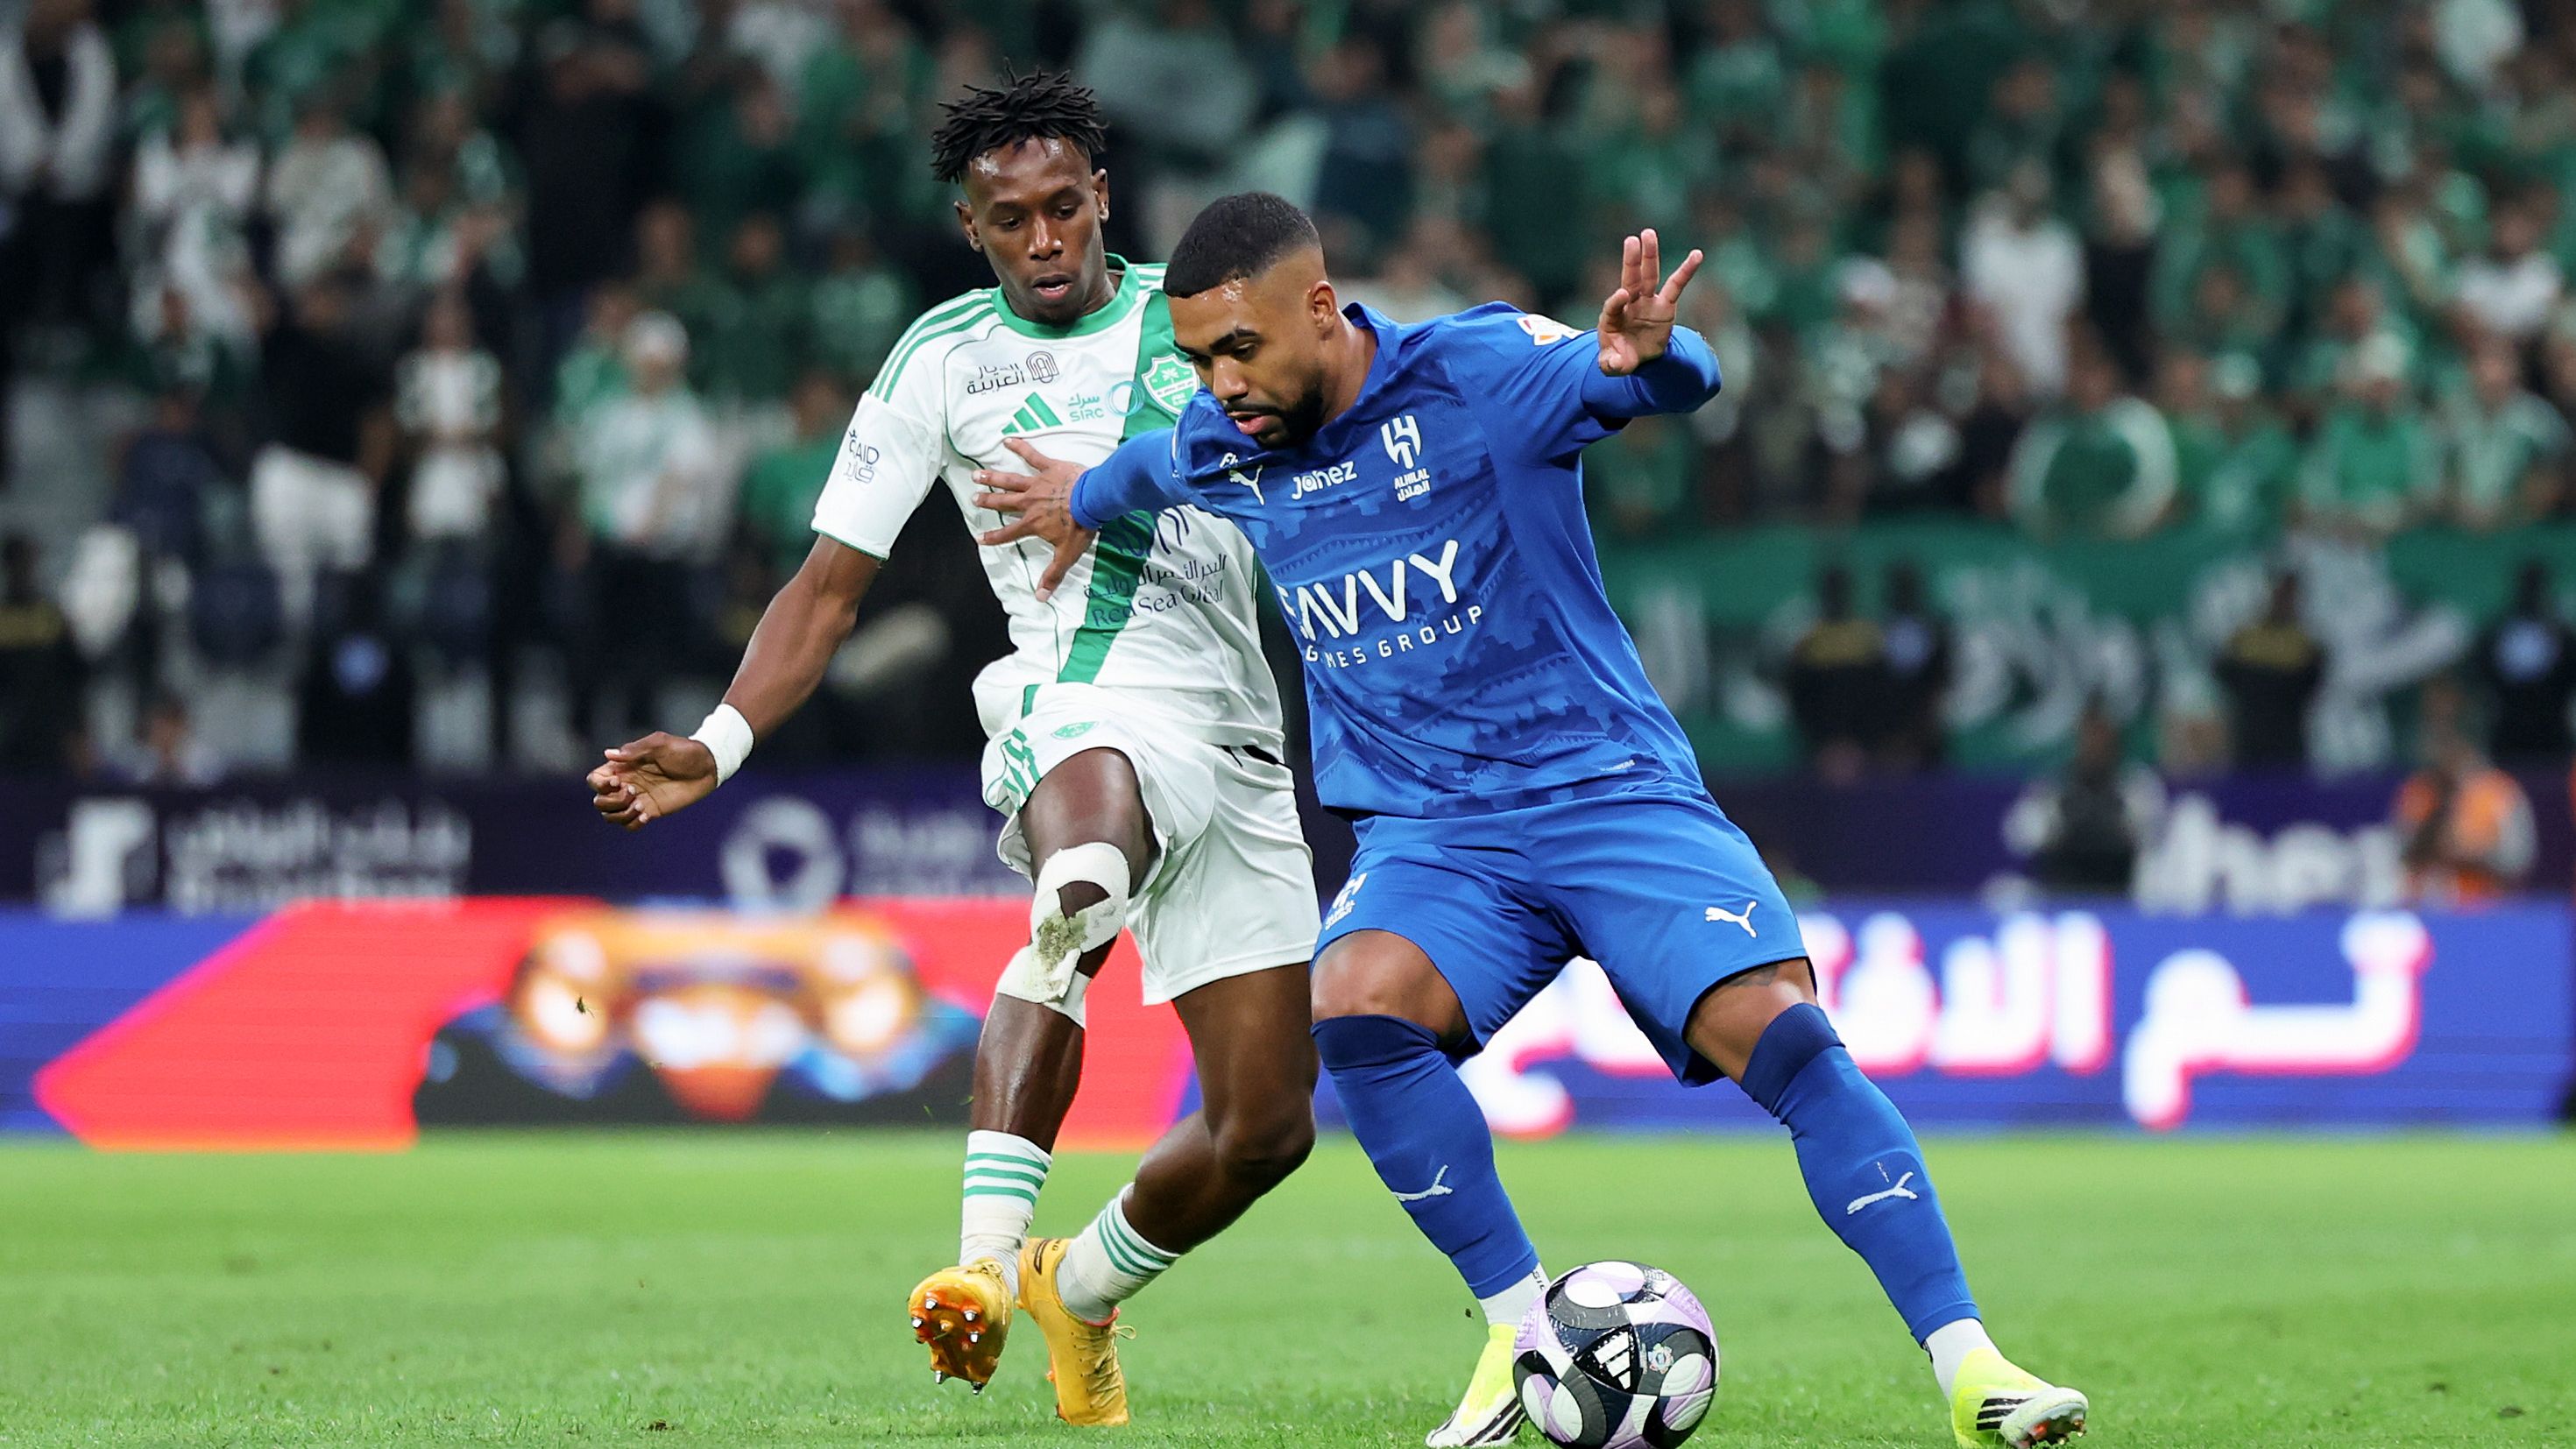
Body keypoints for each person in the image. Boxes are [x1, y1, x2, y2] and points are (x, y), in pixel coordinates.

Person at [977, 194, 2088, 1449]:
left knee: (1779, 1036)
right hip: (1435, 833)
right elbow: (1148, 467)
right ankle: (1519, 1333)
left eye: (1241, 349)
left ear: (1322, 309)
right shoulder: (1225, 437)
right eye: (1195, 359)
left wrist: (1650, 355)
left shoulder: (1481, 370)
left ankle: (1971, 1365)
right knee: (1350, 1007)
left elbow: (1669, 379)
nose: (1219, 383)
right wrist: (1083, 491)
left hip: (1608, 791)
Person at [579, 74, 1320, 1429]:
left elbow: (1334, 426)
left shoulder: (1200, 310)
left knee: (1268, 1128)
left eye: (1060, 208)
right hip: (1078, 694)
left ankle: (1075, 1286)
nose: (1041, 239)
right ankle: (981, 1264)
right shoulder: (940, 360)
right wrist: (720, 741)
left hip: (1241, 736)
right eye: (1008, 220)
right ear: (970, 231)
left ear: (1101, 195)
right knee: (1080, 878)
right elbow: (825, 589)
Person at [2393, 680, 2534, 906]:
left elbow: (2517, 861)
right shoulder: (2418, 790)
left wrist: (2468, 855)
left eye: (2445, 733)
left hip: (2481, 916)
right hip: (2425, 915)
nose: (2437, 744)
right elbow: (2400, 853)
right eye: (2434, 732)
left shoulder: (2498, 791)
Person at [2216, 570, 2327, 771]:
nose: (2282, 601)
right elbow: (2223, 671)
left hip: (2288, 748)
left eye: (2288, 596)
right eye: (2277, 594)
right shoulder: (2244, 643)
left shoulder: (2303, 646)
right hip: (2250, 747)